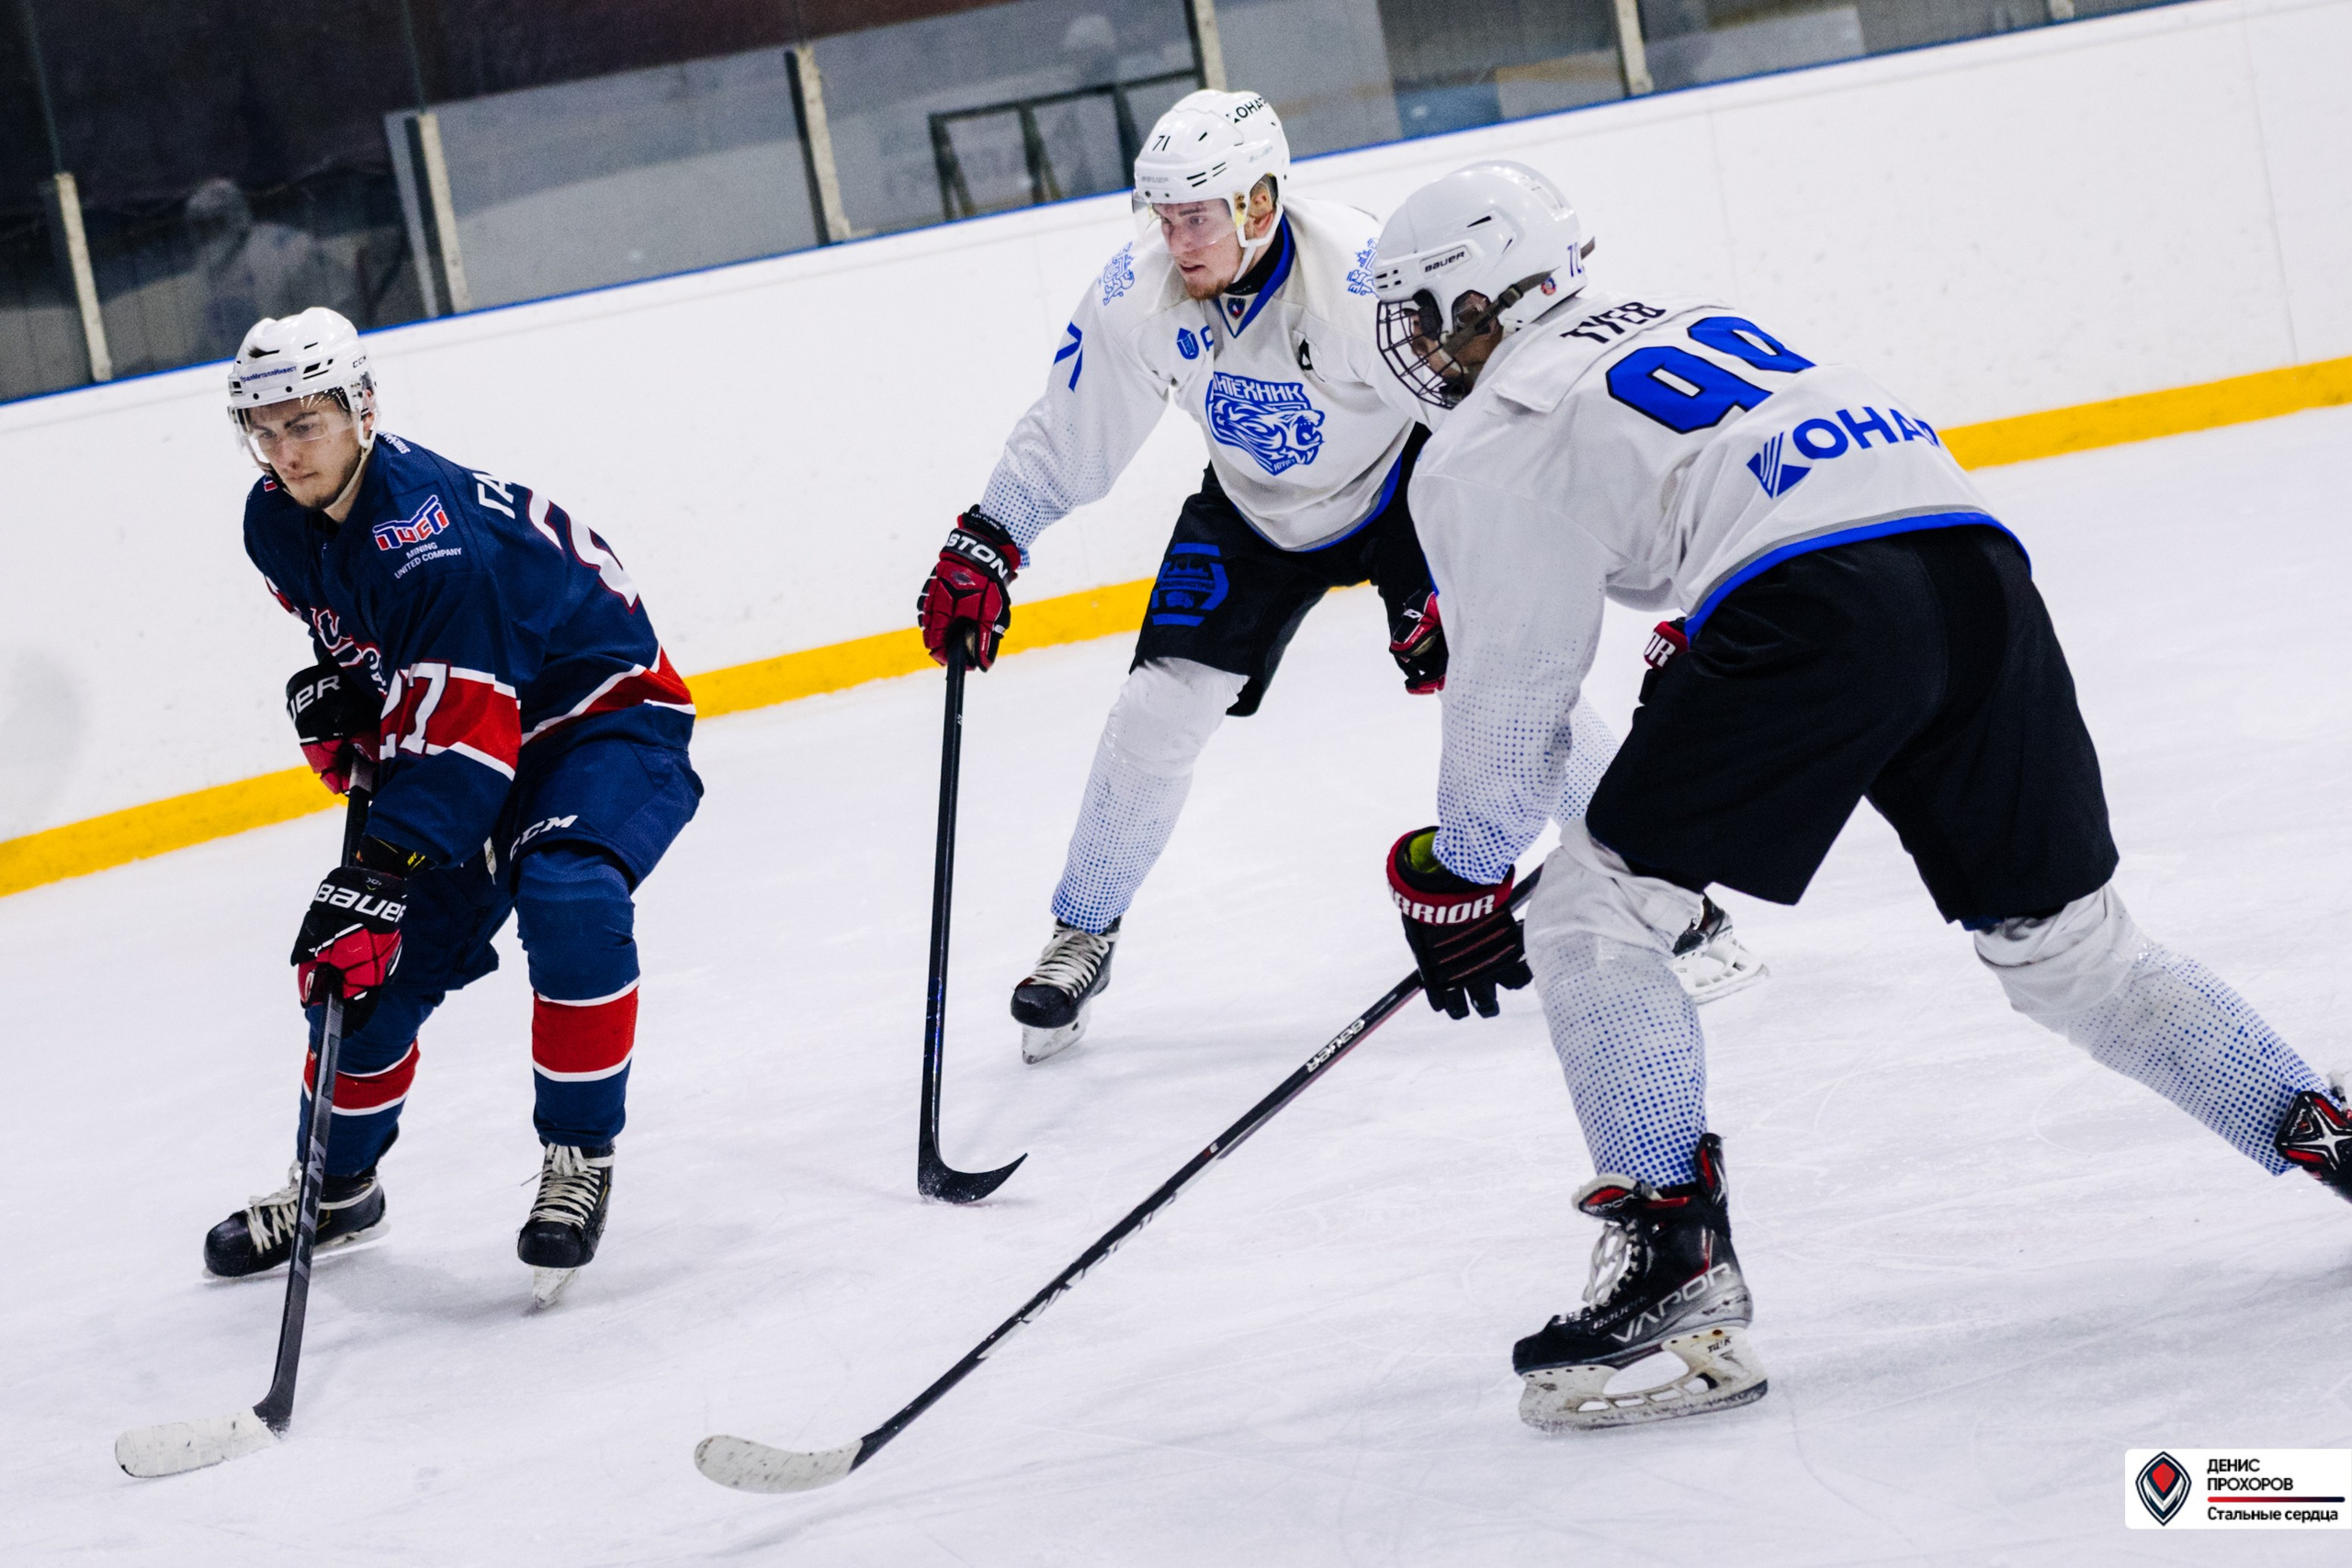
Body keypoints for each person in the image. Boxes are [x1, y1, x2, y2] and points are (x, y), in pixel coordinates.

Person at [1368, 162, 2352, 1432]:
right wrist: (1727, 637)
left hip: (1819, 607)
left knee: (1586, 915)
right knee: (2067, 946)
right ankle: (2316, 1118)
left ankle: (1676, 1255)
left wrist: (1454, 877)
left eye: (1422, 312)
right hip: (1975, 567)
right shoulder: (1679, 319)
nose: (1419, 346)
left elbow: (1512, 724)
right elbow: (1766, 489)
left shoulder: (1492, 433)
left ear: (1473, 298)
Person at [915, 92, 1755, 1064]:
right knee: (1156, 710)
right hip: (1251, 510)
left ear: (1260, 205)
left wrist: (1463, 571)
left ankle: (1668, 895)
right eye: (1164, 216)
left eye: (1196, 215)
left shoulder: (1360, 274)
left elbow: (1473, 409)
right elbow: (1071, 430)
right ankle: (1083, 933)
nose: (1175, 238)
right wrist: (990, 535)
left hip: (1411, 483)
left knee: (1502, 683)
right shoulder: (1134, 293)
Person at [203, 308, 702, 1307]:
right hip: (479, 729)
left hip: (593, 721)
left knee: (568, 893)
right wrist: (347, 697)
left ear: (362, 411)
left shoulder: (428, 535)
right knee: (363, 972)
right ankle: (337, 1190)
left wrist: (379, 871)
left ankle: (577, 1155)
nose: (285, 450)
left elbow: (465, 742)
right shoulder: (274, 521)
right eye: (265, 429)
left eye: (306, 423)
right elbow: (381, 655)